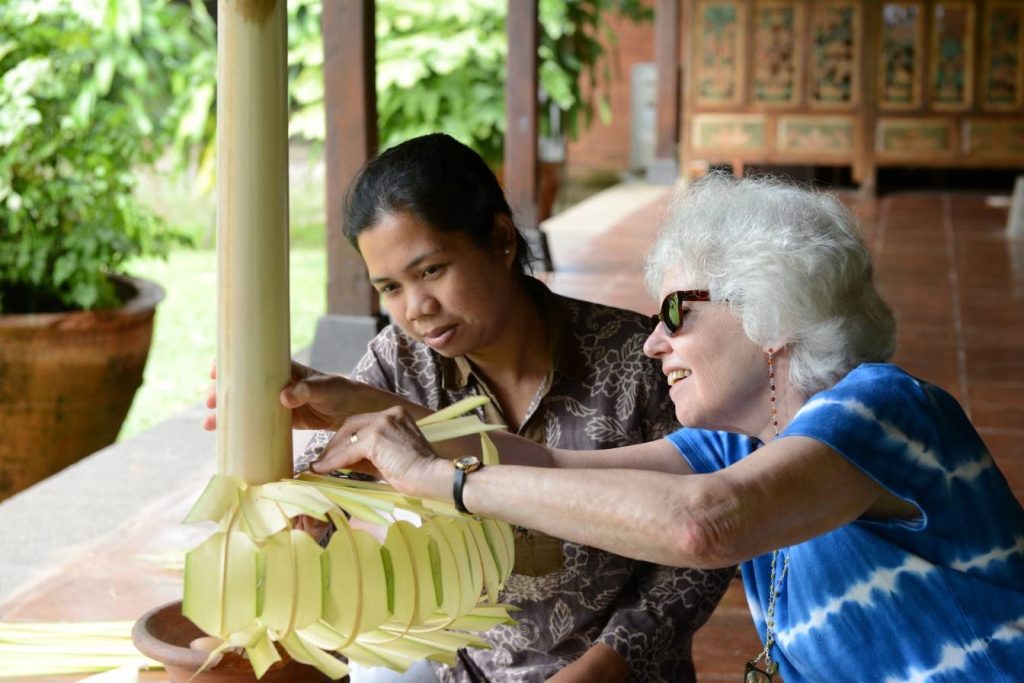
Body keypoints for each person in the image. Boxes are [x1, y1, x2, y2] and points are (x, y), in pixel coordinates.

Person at [299, 173, 1024, 682]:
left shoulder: (882, 403)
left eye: (676, 312)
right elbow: (546, 464)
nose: (653, 342)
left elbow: (702, 526)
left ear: (767, 302)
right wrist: (355, 406)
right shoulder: (744, 441)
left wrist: (444, 482)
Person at [221, 133, 733, 682]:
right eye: (390, 287)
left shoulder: (639, 361)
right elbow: (332, 485)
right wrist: (296, 498)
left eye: (432, 270)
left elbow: (699, 557)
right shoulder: (399, 364)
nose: (416, 308)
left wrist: (603, 669)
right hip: (466, 670)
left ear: (501, 238)